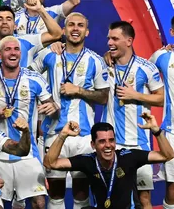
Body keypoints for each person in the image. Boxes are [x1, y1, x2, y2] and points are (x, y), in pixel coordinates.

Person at [30, 12, 110, 209]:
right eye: (71, 25)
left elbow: (103, 96)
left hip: (83, 136)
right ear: (63, 30)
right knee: (55, 193)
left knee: (81, 191)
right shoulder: (50, 54)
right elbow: (29, 79)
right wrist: (46, 100)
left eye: (80, 25)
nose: (75, 29)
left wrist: (79, 91)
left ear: (87, 32)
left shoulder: (95, 60)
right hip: (53, 133)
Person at [0, 36, 59, 208]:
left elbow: (52, 105)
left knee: (39, 201)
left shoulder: (34, 78)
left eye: (16, 49)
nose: (13, 53)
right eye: (8, 49)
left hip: (28, 153)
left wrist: (52, 107)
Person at [44, 119, 174, 209]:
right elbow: (50, 163)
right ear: (93, 145)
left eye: (111, 140)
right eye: (102, 141)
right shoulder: (88, 161)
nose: (108, 145)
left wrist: (156, 131)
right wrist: (63, 135)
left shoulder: (128, 157)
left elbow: (167, 155)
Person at [103, 20, 164, 208]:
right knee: (114, 197)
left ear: (129, 41)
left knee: (144, 198)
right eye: (108, 39)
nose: (109, 43)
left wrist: (135, 95)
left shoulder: (146, 67)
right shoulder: (104, 65)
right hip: (112, 144)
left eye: (115, 39)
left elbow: (161, 99)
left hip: (139, 143)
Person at [0, 3, 61, 68]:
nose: (4, 22)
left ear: (15, 26)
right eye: (0, 19)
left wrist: (40, 10)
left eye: (9, 19)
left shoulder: (27, 40)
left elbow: (56, 34)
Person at [150, 17, 174, 208]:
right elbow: (139, 67)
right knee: (173, 185)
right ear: (172, 32)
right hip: (173, 132)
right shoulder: (161, 57)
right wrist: (110, 55)